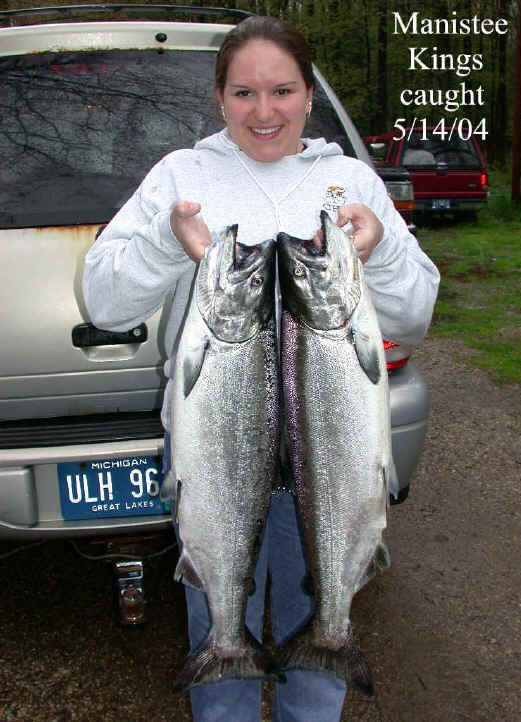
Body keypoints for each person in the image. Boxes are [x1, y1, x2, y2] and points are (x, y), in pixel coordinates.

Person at [83, 15, 440, 721]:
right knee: (219, 615)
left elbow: (414, 314)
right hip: (218, 452)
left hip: (332, 452)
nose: (264, 111)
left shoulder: (349, 181)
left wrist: (378, 254)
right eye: (244, 93)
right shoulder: (181, 176)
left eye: (281, 91)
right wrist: (167, 243)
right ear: (219, 98)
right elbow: (103, 302)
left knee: (323, 612)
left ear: (308, 94)